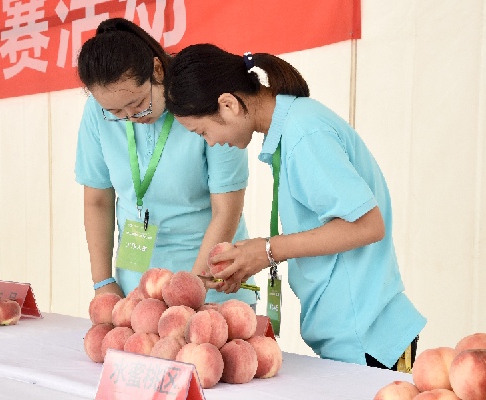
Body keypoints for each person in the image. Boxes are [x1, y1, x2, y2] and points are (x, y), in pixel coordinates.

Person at [164, 43, 426, 370]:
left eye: (203, 131)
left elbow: (367, 225)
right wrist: (252, 258)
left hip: (367, 339)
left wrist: (269, 250)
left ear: (228, 104)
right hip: (353, 335)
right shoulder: (292, 128)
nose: (212, 143)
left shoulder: (303, 132)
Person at [74, 19, 256, 307]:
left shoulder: (204, 94)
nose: (130, 117)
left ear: (157, 70)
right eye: (115, 112)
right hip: (138, 288)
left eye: (137, 104)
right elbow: (97, 199)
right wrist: (103, 282)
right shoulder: (97, 113)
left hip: (212, 283)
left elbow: (227, 211)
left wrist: (193, 290)